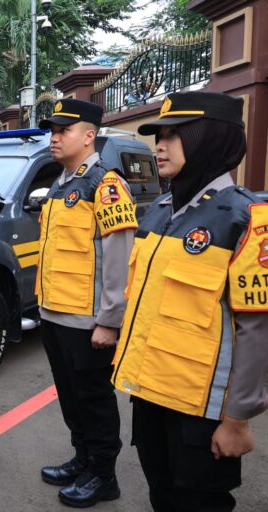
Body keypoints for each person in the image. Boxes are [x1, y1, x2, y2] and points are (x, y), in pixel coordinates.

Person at [112, 92, 268, 512]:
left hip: (202, 412)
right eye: (158, 135)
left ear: (210, 139)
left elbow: (256, 332)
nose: (159, 145)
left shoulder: (248, 220)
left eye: (174, 135)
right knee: (161, 496)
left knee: (199, 503)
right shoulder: (160, 211)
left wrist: (237, 419)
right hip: (148, 394)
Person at [35, 99, 138, 507]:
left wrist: (110, 320)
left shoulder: (106, 184)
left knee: (93, 398)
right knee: (70, 395)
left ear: (90, 135)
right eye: (53, 130)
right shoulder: (62, 184)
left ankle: (103, 474)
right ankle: (83, 458)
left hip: (87, 319)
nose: (55, 137)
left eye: (64, 130)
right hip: (54, 313)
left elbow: (118, 256)